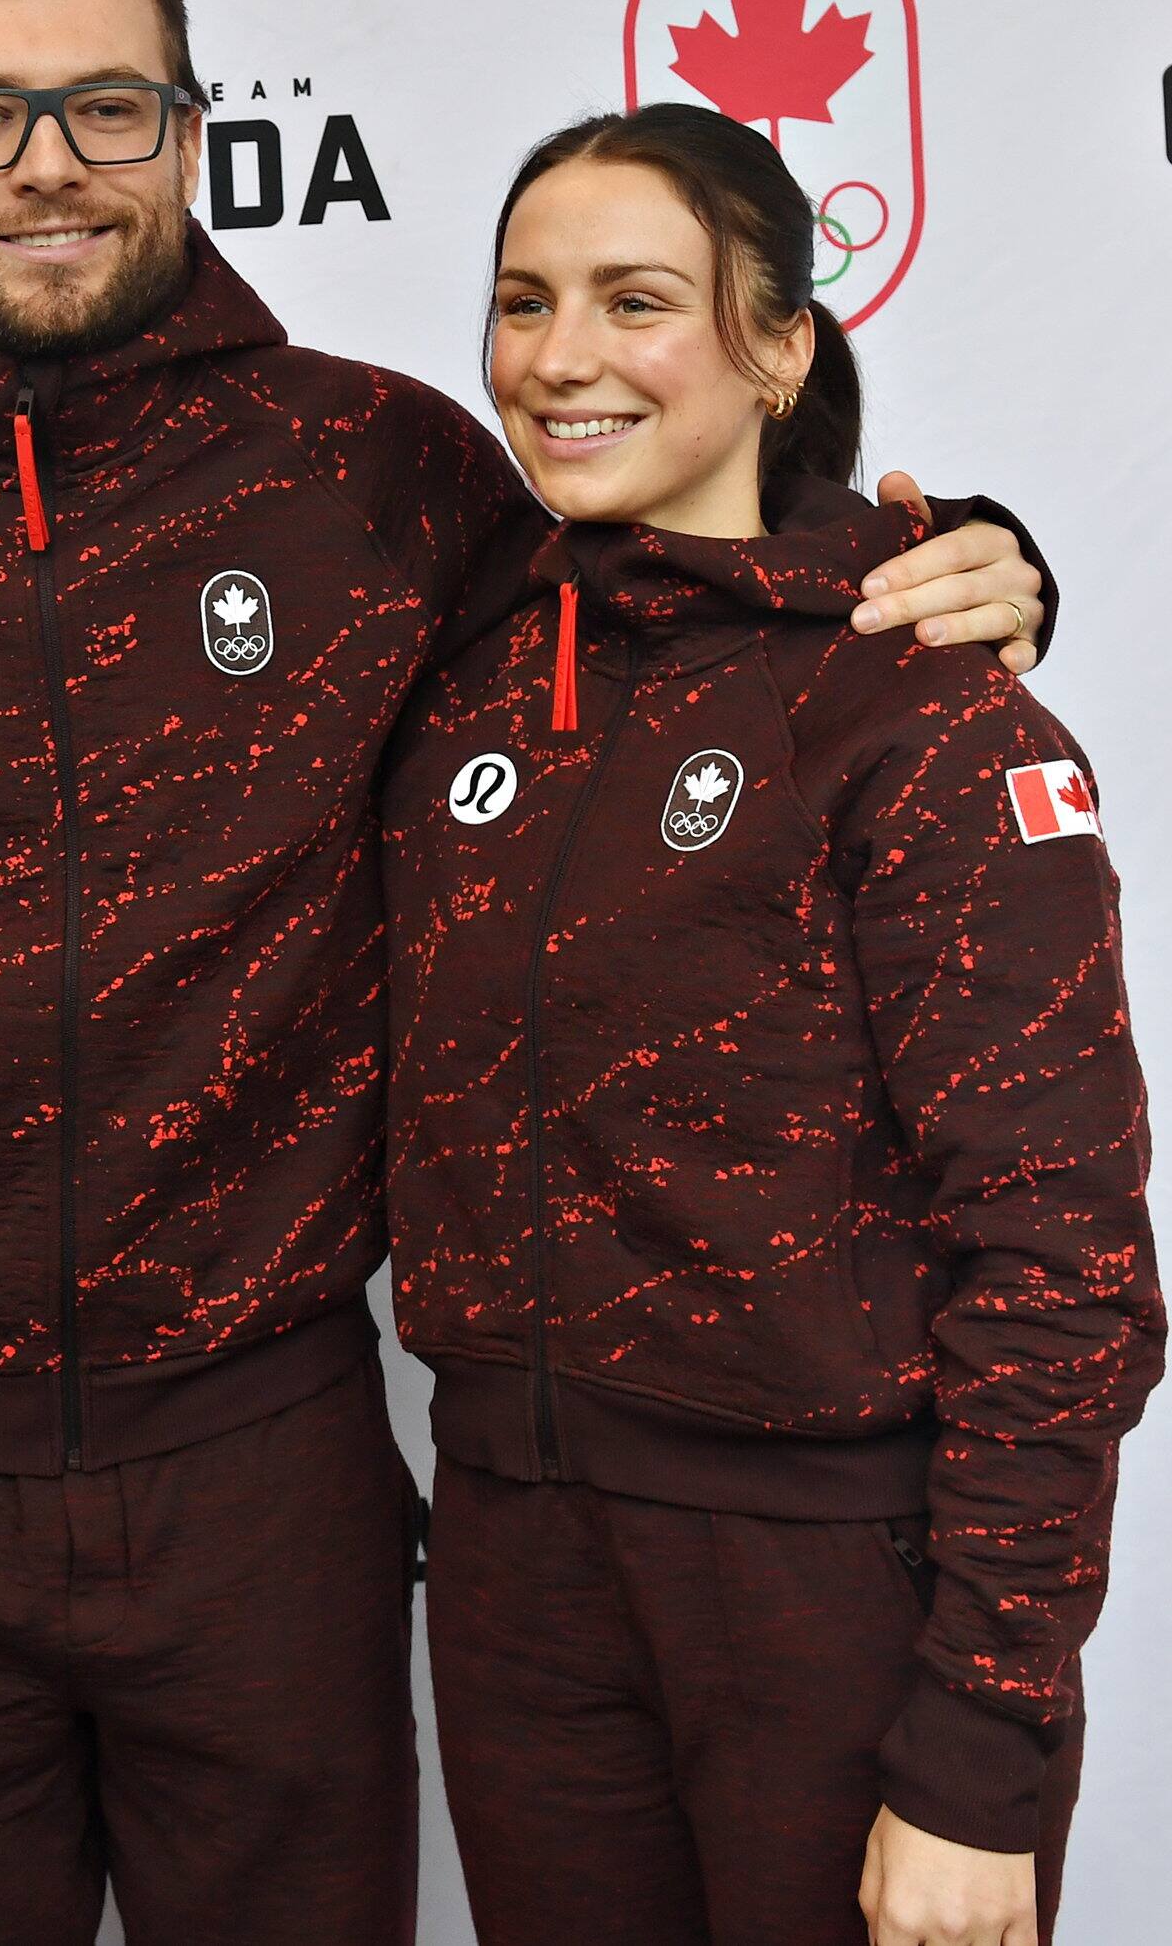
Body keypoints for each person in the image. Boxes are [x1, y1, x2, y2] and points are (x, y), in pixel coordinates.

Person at [0, 0, 1053, 1946]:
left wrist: (970, 561)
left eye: (104, 105)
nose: (47, 158)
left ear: (195, 137)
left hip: (262, 1465)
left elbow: (678, 590)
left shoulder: (378, 467)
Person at [379, 102, 1157, 1946]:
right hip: (515, 1562)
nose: (561, 357)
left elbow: (1058, 1261)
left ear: (781, 341)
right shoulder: (465, 668)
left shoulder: (926, 713)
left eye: (635, 299)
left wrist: (986, 1744)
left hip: (833, 1591)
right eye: (520, 300)